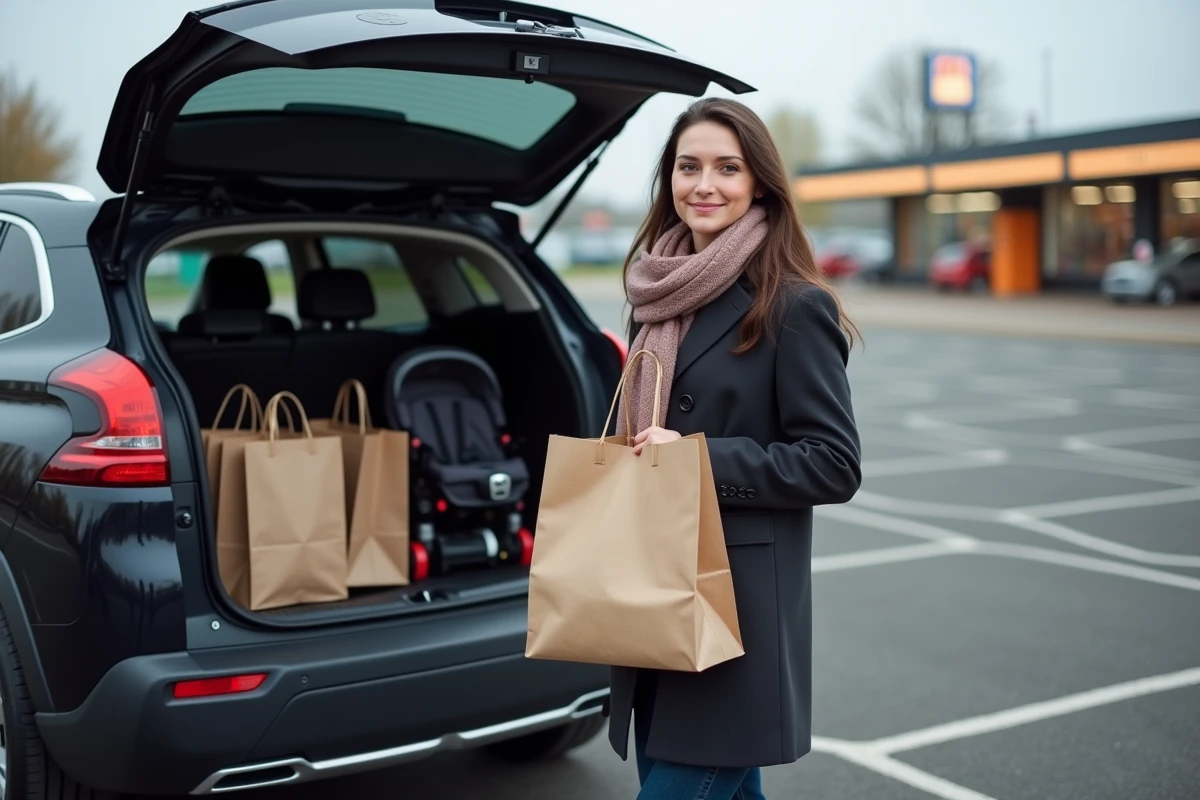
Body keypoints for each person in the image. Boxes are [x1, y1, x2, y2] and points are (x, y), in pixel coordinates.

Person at [606, 97, 863, 799]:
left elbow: (834, 464)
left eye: (728, 167)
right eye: (688, 167)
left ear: (759, 183)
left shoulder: (791, 304)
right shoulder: (658, 294)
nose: (704, 185)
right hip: (655, 594)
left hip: (734, 620)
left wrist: (693, 457)